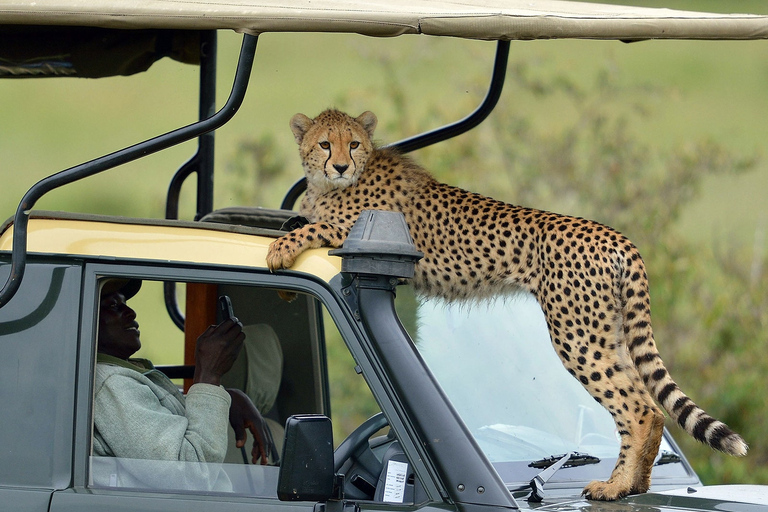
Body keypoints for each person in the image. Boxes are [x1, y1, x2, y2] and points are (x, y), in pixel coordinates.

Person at [92, 278, 273, 466]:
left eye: (125, 303)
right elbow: (191, 472)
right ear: (87, 318)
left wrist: (228, 397)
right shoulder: (113, 385)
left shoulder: (125, 376)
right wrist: (208, 376)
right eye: (113, 305)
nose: (131, 312)